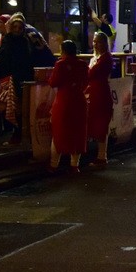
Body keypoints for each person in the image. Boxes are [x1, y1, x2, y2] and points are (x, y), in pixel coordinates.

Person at [0, 13, 52, 145]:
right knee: (20, 107)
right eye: (15, 27)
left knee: (18, 107)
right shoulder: (27, 36)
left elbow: (5, 58)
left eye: (19, 27)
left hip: (20, 76)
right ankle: (23, 134)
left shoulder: (14, 39)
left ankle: (20, 134)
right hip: (24, 75)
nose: (17, 30)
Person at [47, 39, 87, 174]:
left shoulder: (60, 64)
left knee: (58, 132)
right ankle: (75, 165)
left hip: (63, 101)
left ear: (63, 51)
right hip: (79, 101)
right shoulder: (82, 64)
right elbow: (86, 81)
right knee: (77, 133)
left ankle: (54, 165)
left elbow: (53, 82)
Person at [86, 31, 114, 169]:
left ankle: (102, 156)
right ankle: (99, 155)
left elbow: (90, 73)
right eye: (94, 41)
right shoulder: (97, 57)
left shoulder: (105, 58)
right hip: (95, 93)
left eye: (98, 42)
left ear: (104, 43)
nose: (95, 44)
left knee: (101, 125)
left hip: (101, 94)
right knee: (96, 124)